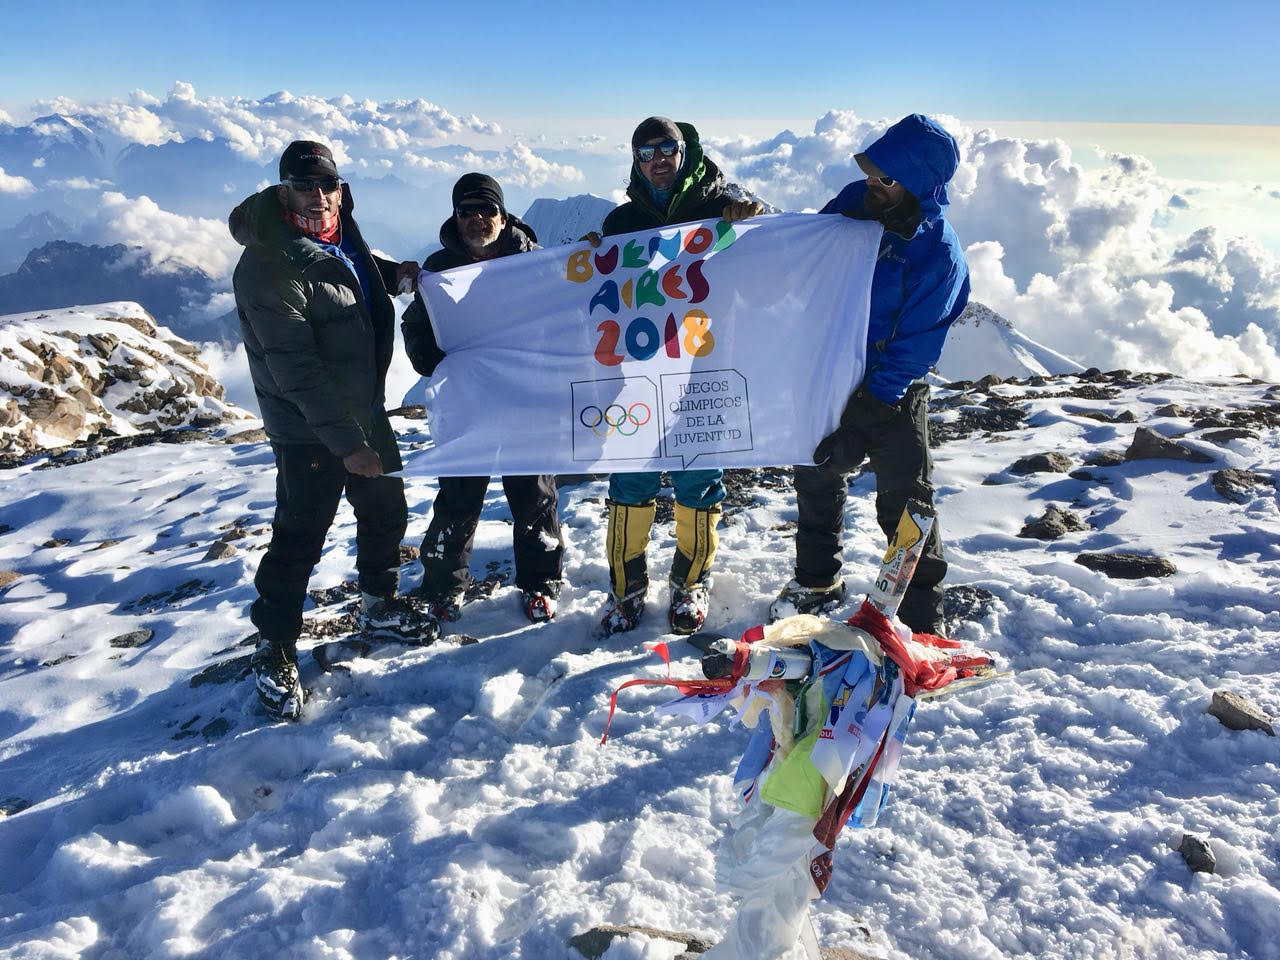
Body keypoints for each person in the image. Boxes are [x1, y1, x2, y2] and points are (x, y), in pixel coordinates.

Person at [230, 140, 436, 720]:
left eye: (327, 185)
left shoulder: (339, 232)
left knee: (385, 510)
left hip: (363, 409)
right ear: (283, 192)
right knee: (301, 532)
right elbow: (295, 368)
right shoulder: (267, 264)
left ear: (341, 190)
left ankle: (378, 604)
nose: (318, 196)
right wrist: (348, 444)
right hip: (307, 427)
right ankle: (274, 645)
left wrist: (394, 275)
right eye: (304, 186)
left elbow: (348, 276)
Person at [770, 114, 970, 634]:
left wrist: (870, 407)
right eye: (870, 173)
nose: (872, 185)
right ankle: (817, 582)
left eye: (886, 178)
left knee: (906, 498)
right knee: (817, 473)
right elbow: (807, 248)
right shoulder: (856, 203)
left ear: (919, 184)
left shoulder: (939, 254)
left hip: (895, 386)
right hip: (832, 368)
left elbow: (916, 345)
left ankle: (921, 616)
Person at [591, 117, 762, 636]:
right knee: (630, 478)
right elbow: (599, 284)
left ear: (685, 153)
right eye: (646, 153)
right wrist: (586, 254)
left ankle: (691, 583)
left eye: (667, 148)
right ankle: (626, 589)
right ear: (636, 163)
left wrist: (752, 219)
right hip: (637, 373)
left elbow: (769, 255)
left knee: (698, 480)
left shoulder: (720, 209)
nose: (658, 159)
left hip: (702, 370)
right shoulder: (621, 223)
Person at [401, 173, 566, 624]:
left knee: (534, 495)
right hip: (468, 402)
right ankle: (443, 586)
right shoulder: (440, 268)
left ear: (503, 215)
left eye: (486, 209)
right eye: (466, 211)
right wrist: (433, 360)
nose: (477, 218)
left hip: (525, 398)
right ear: (455, 218)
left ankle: (541, 582)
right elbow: (415, 324)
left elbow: (567, 313)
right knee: (458, 494)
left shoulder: (535, 263)